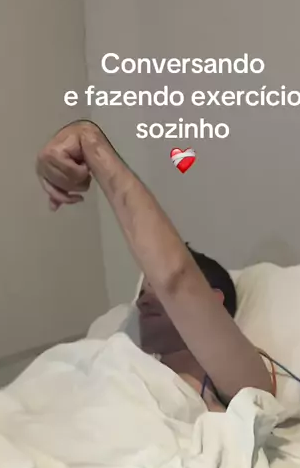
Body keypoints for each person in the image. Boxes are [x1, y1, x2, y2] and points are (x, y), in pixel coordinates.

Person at [36, 121, 273, 411]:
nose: (141, 302)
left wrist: (89, 140)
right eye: (143, 292)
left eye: (155, 290)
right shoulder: (114, 366)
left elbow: (176, 278)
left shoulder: (247, 387)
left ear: (213, 301)